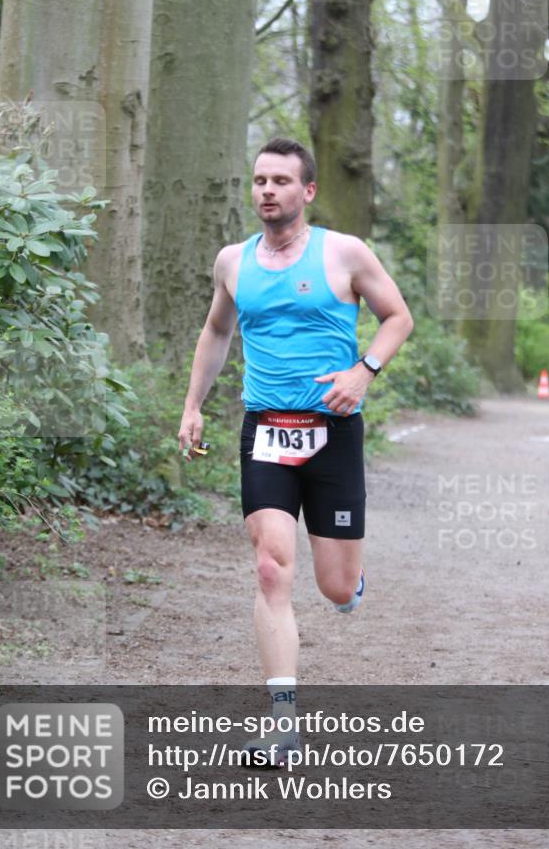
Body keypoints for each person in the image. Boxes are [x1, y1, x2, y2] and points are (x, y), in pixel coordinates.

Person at [177, 137, 413, 763]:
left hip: (333, 432)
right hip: (265, 430)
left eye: (281, 180)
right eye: (259, 180)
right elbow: (218, 329)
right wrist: (193, 405)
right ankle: (283, 723)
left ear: (307, 190)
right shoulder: (233, 262)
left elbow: (398, 318)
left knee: (334, 588)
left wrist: (363, 372)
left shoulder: (345, 253)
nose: (267, 191)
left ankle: (349, 583)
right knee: (270, 566)